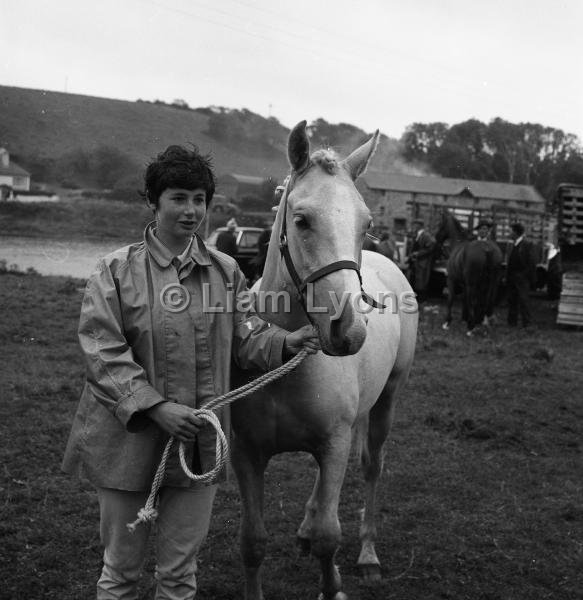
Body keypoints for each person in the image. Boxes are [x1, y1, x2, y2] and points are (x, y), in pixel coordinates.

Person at [61, 145, 320, 600]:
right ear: (154, 202)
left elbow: (246, 335)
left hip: (199, 446)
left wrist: (284, 342)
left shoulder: (225, 271)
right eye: (179, 197)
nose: (191, 210)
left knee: (180, 577)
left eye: (200, 199)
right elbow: (102, 352)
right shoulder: (115, 271)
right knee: (120, 573)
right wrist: (156, 407)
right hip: (130, 444)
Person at [506, 222, 536, 327]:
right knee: (512, 300)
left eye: (510, 231)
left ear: (515, 232)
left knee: (523, 300)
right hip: (512, 278)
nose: (509, 233)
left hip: (521, 278)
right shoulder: (513, 244)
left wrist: (523, 276)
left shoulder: (527, 245)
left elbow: (531, 263)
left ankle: (527, 324)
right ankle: (512, 323)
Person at [408, 218, 436, 303]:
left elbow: (432, 245)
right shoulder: (417, 234)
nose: (414, 226)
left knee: (421, 281)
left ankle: (422, 299)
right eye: (414, 224)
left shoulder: (426, 235)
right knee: (415, 279)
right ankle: (415, 298)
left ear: (420, 226)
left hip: (423, 262)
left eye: (415, 225)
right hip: (415, 261)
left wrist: (419, 253)